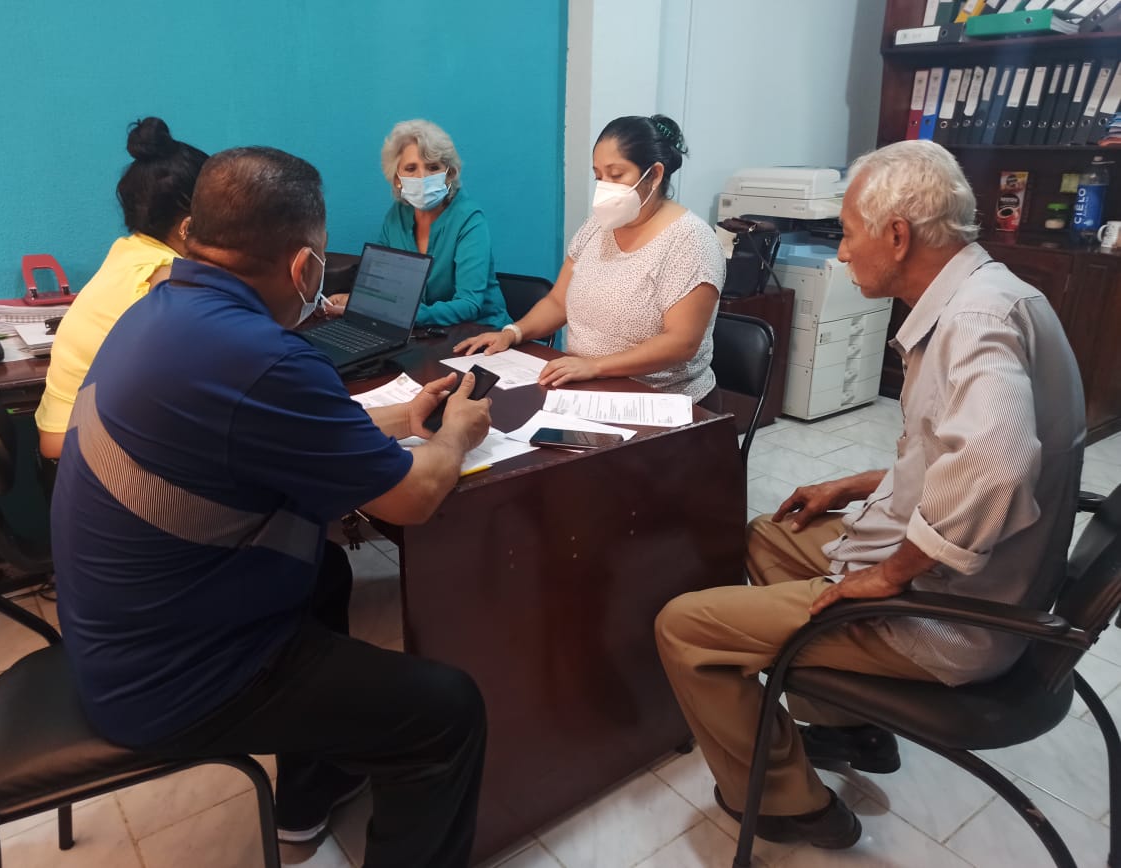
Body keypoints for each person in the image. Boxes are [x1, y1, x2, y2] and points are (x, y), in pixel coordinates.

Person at [51, 146, 492, 868]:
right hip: (170, 678)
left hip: (118, 627)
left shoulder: (159, 311)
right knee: (447, 712)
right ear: (305, 267)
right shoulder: (264, 357)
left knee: (326, 573)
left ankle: (309, 797)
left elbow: (259, 425)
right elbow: (413, 498)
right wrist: (456, 437)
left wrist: (400, 420)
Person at [654, 140, 1085, 850]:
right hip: (990, 579)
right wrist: (857, 484)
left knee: (684, 628)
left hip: (954, 614)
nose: (844, 250)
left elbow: (996, 469)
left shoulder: (976, 322)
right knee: (770, 536)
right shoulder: (997, 294)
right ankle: (852, 726)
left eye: (850, 232)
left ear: (897, 235)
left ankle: (791, 805)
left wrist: (888, 576)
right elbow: (958, 453)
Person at [455, 114, 725, 403]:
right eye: (599, 176)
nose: (605, 186)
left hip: (661, 400)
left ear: (655, 175)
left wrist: (595, 366)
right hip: (589, 389)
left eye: (616, 175)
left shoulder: (690, 241)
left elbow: (681, 343)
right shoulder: (599, 225)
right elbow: (558, 302)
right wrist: (513, 333)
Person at [35, 117, 208, 462]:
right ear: (188, 225)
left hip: (61, 434)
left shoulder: (130, 251)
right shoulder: (164, 278)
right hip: (82, 450)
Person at [326, 119, 510, 328]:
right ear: (397, 179)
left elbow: (469, 304)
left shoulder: (469, 219)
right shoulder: (396, 216)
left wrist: (400, 315)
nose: (422, 177)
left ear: (449, 174)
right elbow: (382, 284)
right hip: (426, 334)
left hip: (482, 333)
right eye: (411, 168)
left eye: (433, 167)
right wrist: (355, 301)